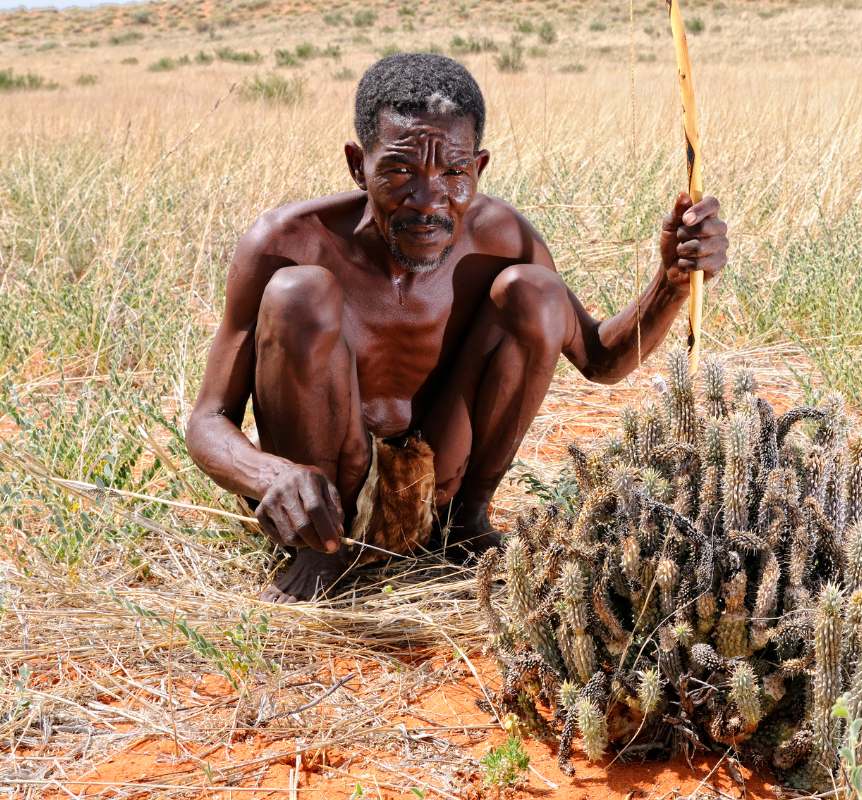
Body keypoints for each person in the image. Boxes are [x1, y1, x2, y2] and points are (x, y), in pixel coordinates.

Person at [185, 53, 728, 602]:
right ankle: (317, 555)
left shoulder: (503, 239)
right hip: (323, 499)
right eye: (399, 172)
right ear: (357, 164)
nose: (428, 202)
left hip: (436, 482)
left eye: (453, 173)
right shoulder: (286, 242)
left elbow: (601, 360)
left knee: (536, 293)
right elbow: (208, 419)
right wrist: (268, 476)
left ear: (480, 167)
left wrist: (671, 281)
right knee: (299, 294)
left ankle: (464, 527)